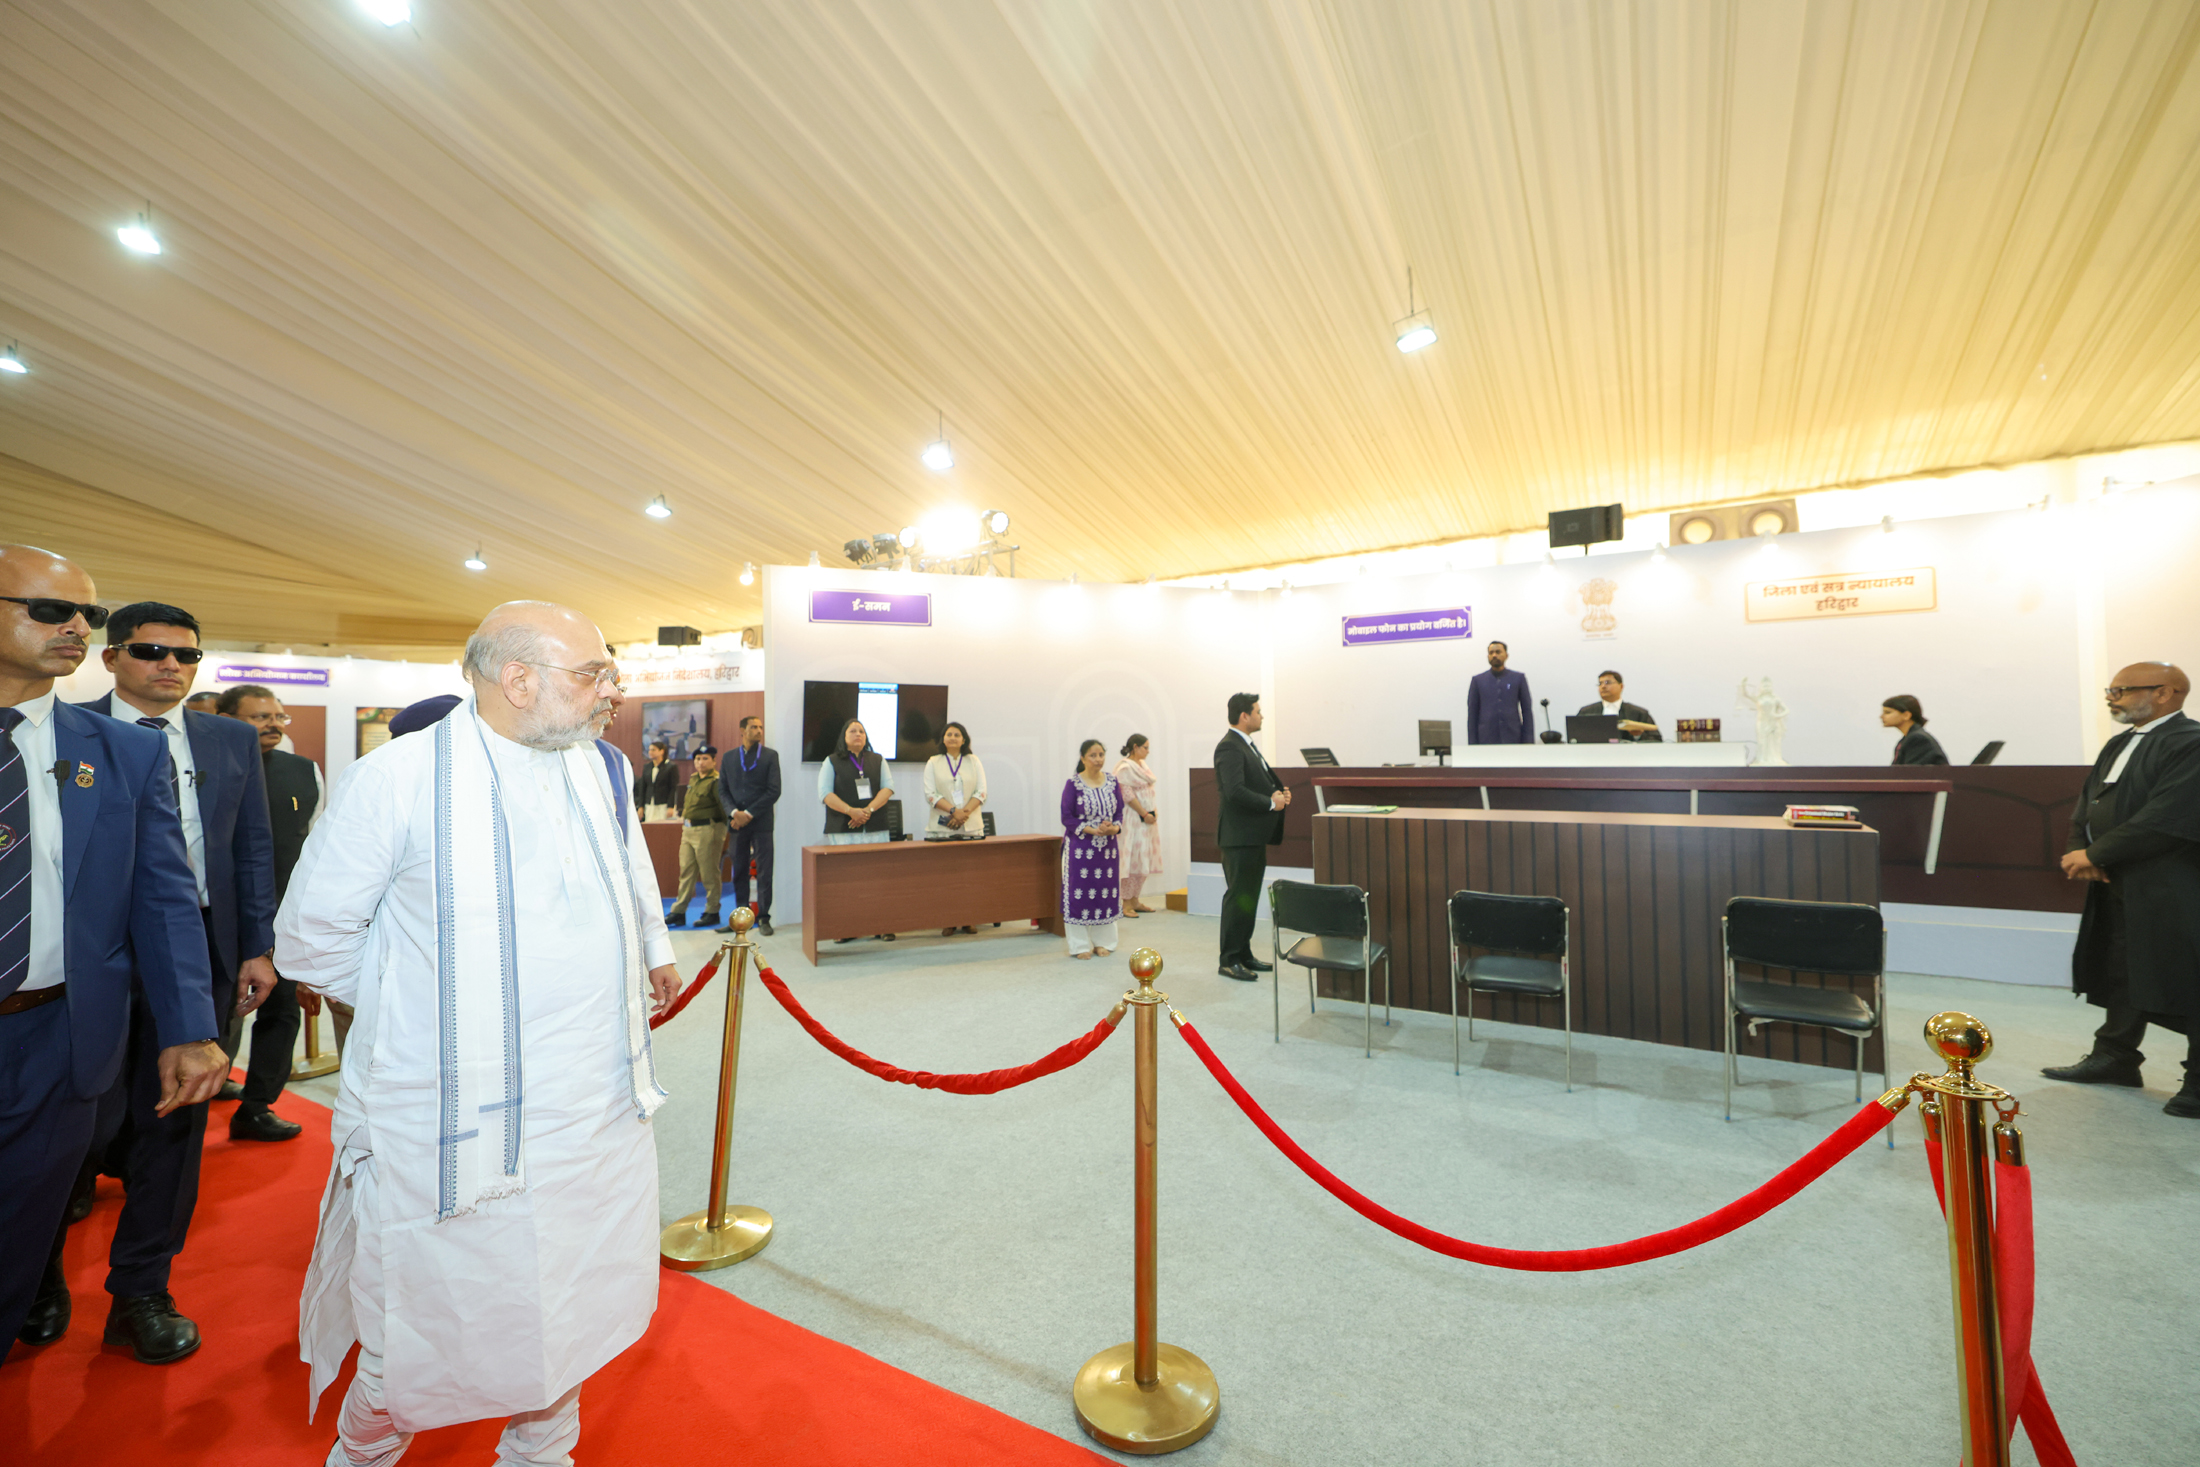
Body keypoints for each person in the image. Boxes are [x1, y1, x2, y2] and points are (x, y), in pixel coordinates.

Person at [275, 599, 679, 1463]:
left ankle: (540, 1452)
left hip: (592, 1112)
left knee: (570, 1313)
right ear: (517, 679)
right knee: (421, 1324)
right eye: (593, 673)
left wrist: (651, 951)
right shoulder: (399, 777)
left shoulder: (597, 767)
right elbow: (312, 939)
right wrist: (426, 1011)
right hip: (448, 1120)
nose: (613, 688)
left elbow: (630, 875)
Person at [1, 546, 220, 1365]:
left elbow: (164, 898)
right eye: (49, 609)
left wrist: (189, 1028)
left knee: (21, 1233)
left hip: (58, 1038)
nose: (75, 627)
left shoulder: (124, 752)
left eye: (87, 614)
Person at [64, 601, 277, 1362]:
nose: (171, 666)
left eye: (186, 656)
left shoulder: (228, 739)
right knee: (75, 1121)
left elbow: (252, 846)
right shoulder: (69, 731)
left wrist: (257, 946)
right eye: (152, 651)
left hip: (199, 958)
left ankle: (141, 1289)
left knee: (176, 1123)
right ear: (112, 657)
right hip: (87, 957)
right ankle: (40, 1277)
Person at [2042, 663, 2200, 1118]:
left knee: (2186, 972)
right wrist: (2081, 849)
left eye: (2122, 690)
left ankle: (2198, 1082)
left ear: (2165, 693)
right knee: (2120, 962)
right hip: (2119, 874)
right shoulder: (2119, 743)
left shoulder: (2191, 742)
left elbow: (2168, 815)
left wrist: (2097, 853)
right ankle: (2116, 1056)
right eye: (2111, 690)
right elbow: (2088, 801)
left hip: (2171, 879)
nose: (2112, 698)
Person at [217, 683, 327, 1142]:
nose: (273, 725)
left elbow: (314, 846)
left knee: (281, 1011)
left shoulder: (303, 772)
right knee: (221, 1012)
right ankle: (205, 1086)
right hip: (218, 917)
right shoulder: (205, 766)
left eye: (279, 717)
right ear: (226, 720)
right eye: (260, 716)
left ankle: (257, 1106)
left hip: (283, 917)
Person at [1214, 692, 1287, 982]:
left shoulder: (1245, 745)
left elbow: (1257, 781)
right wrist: (1270, 802)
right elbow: (1234, 791)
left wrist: (1277, 794)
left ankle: (1243, 954)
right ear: (1244, 716)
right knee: (1238, 899)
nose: (1261, 716)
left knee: (1248, 898)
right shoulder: (1229, 747)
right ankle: (1229, 960)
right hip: (1238, 837)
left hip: (1251, 836)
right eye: (1257, 711)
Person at [818, 719, 896, 942]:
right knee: (846, 881)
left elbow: (888, 788)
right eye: (852, 731)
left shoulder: (877, 760)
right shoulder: (831, 761)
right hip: (843, 829)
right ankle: (846, 929)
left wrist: (868, 811)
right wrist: (851, 811)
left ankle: (882, 926)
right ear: (844, 737)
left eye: (861, 731)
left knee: (878, 878)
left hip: (875, 827)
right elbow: (825, 794)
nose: (858, 734)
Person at [715, 716, 780, 937]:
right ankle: (741, 918)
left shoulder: (770, 756)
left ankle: (764, 918)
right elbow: (722, 790)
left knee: (764, 871)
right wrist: (734, 813)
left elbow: (774, 791)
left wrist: (748, 814)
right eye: (754, 727)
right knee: (740, 870)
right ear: (742, 730)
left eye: (761, 727)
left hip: (761, 822)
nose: (759, 730)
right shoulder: (729, 757)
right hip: (736, 823)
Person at [921, 721, 986, 936]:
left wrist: (963, 813)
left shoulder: (973, 761)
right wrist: (953, 811)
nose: (952, 738)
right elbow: (930, 794)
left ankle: (969, 919)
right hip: (942, 826)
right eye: (949, 734)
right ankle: (948, 920)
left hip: (970, 826)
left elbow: (981, 792)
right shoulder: (933, 762)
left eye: (957, 735)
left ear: (964, 739)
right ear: (943, 739)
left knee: (970, 876)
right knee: (945, 877)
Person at [1061, 740, 1124, 959]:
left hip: (1107, 850)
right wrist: (1091, 830)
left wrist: (1113, 828)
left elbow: (1119, 813)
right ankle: (1079, 946)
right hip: (1080, 849)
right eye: (1092, 755)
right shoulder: (1073, 784)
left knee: (1105, 893)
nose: (1098, 759)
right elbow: (1066, 817)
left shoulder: (1113, 782)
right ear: (1083, 758)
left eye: (1101, 755)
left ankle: (1103, 942)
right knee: (1078, 895)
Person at [667, 745, 726, 928]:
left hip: (707, 830)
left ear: (714, 761)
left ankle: (712, 911)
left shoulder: (716, 781)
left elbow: (724, 808)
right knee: (686, 872)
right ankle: (679, 911)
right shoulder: (694, 778)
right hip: (688, 830)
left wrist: (721, 830)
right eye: (698, 759)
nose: (701, 762)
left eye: (705, 758)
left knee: (709, 873)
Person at [1115, 734, 1162, 918]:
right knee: (1132, 859)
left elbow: (1148, 791)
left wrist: (1152, 812)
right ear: (1135, 747)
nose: (1148, 751)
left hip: (1146, 820)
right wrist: (1143, 813)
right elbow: (1127, 795)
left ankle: (1135, 899)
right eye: (1145, 747)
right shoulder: (1125, 768)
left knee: (1143, 859)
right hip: (1133, 819)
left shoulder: (1143, 766)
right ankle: (1126, 903)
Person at [1467, 641, 1534, 744]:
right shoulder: (1478, 681)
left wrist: (1528, 741)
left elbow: (1527, 711)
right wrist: (1472, 744)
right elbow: (1472, 714)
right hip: (1486, 739)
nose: (1494, 655)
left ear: (1506, 655)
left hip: (1514, 738)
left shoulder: (1518, 678)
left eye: (1498, 652)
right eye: (1491, 653)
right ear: (1488, 656)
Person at [1576, 670, 1662, 741]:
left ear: (1621, 686)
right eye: (1600, 683)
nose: (1603, 686)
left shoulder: (1639, 713)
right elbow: (1574, 737)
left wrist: (1637, 736)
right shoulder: (1586, 712)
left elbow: (1656, 740)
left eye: (1607, 682)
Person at [1880, 695, 1948, 765]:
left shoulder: (1918, 739)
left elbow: (1912, 771)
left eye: (1888, 712)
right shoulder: (1908, 738)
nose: (1881, 716)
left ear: (1906, 715)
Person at [635, 739, 678, 822]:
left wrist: (671, 806)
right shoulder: (647, 767)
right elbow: (643, 787)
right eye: (649, 750)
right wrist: (641, 806)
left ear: (662, 751)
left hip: (663, 804)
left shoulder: (670, 767)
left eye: (653, 750)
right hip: (649, 804)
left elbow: (673, 788)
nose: (650, 752)